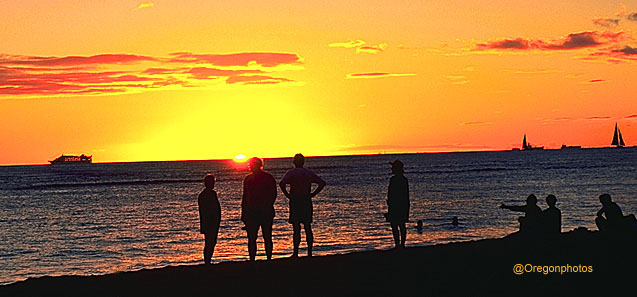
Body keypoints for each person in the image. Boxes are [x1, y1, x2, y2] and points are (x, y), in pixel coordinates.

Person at [279, 154, 326, 258]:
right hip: (305, 200)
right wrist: (313, 194)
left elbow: (282, 183)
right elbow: (322, 183)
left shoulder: (291, 173)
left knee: (296, 228)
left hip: (295, 200)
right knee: (307, 227)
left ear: (294, 162)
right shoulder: (308, 173)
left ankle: (296, 252)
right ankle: (309, 252)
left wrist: (287, 195)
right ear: (303, 162)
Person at [241, 157, 277, 261]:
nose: (251, 167)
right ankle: (260, 258)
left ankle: (260, 259)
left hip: (258, 211)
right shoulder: (267, 177)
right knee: (261, 237)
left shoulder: (251, 179)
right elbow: (245, 197)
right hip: (258, 212)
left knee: (258, 237)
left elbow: (273, 194)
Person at [198, 174, 221, 264]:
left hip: (210, 221)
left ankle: (208, 260)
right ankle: (207, 261)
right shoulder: (207, 194)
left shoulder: (205, 194)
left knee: (210, 241)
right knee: (210, 242)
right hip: (210, 221)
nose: (213, 184)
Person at [386, 160, 410, 249]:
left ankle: (400, 245)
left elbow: (404, 195)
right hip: (396, 205)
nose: (392, 169)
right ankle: (399, 244)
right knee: (397, 225)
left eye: (393, 167)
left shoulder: (399, 180)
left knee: (398, 225)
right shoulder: (401, 180)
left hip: (398, 205)